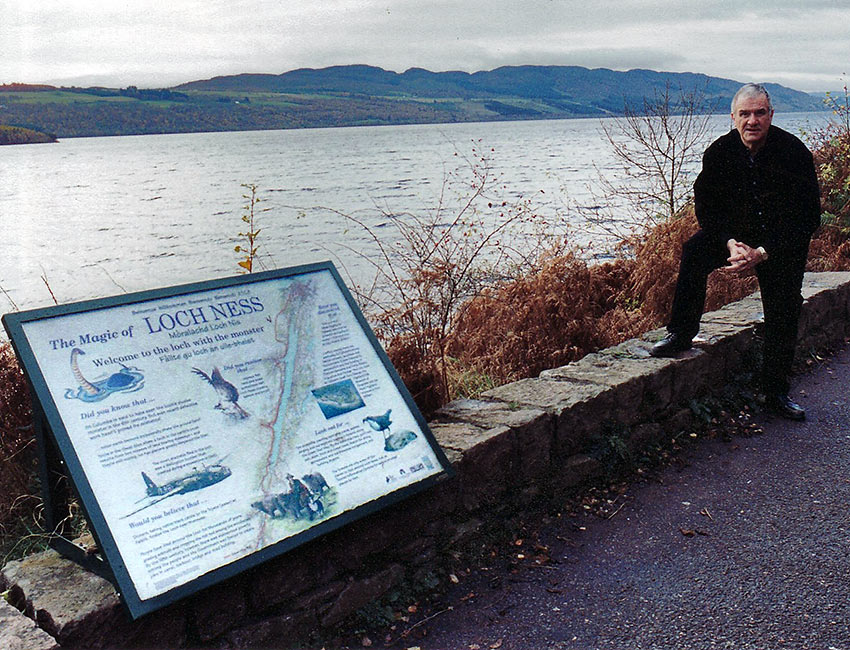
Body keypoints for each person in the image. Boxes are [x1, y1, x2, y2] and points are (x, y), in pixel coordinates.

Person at [650, 83, 821, 420]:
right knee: (694, 251)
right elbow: (707, 207)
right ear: (733, 117)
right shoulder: (718, 153)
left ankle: (775, 393)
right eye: (745, 114)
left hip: (779, 241)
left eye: (760, 113)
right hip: (733, 236)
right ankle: (681, 333)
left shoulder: (794, 152)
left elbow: (807, 217)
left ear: (771, 115)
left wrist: (762, 251)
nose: (752, 120)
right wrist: (729, 242)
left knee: (784, 309)